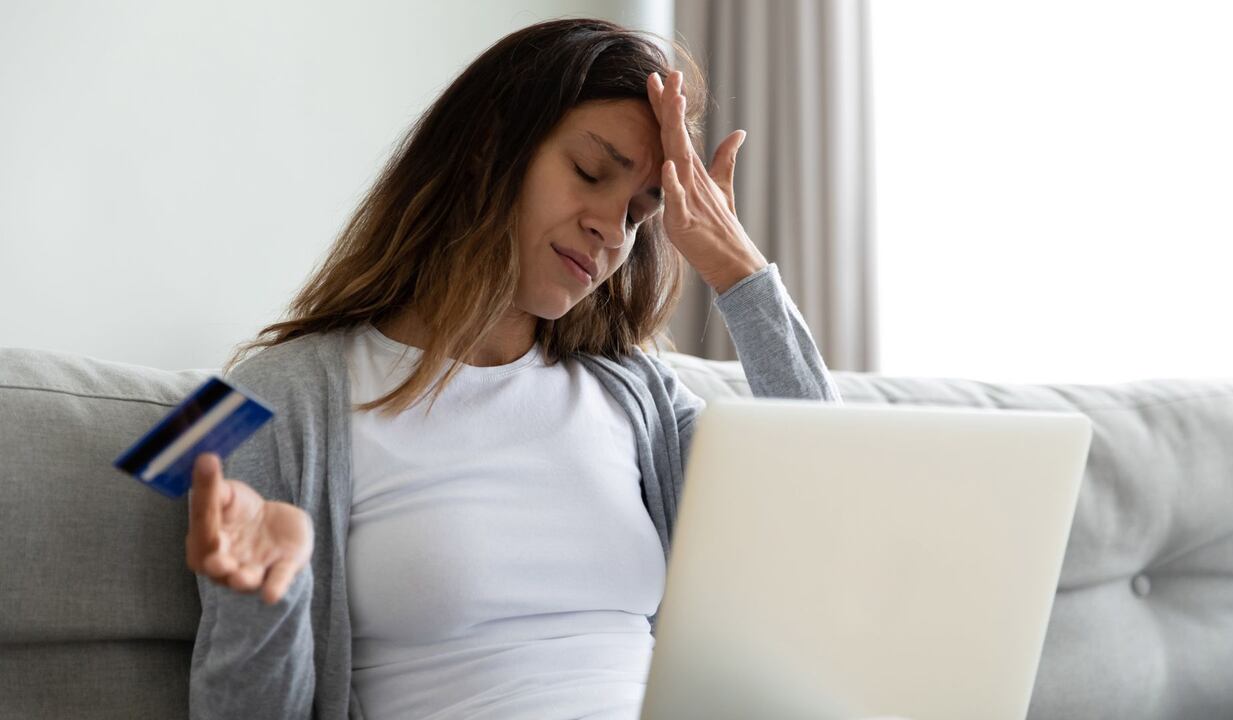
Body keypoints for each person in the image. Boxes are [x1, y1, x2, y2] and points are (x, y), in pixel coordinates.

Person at [185, 17, 842, 720]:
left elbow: (831, 497)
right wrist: (263, 603)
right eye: (591, 172)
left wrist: (737, 270)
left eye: (640, 213)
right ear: (488, 148)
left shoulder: (639, 394)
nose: (612, 229)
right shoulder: (252, 400)